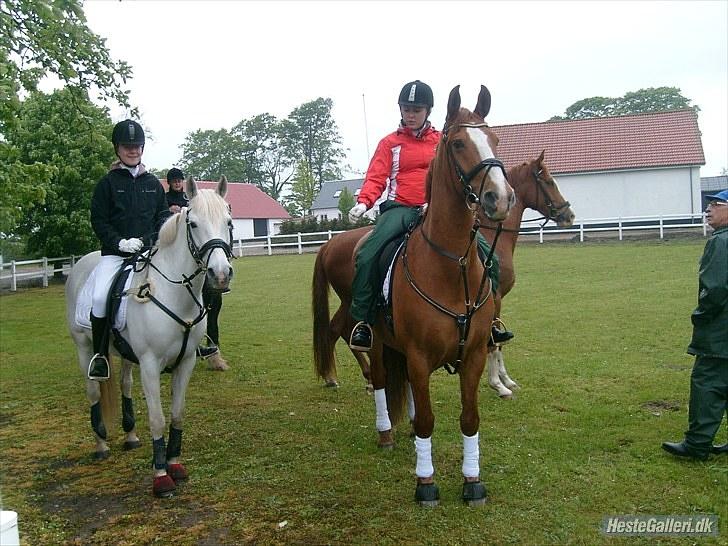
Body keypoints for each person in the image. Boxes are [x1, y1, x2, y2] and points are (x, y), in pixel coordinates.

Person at [347, 80, 510, 352]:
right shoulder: (390, 143)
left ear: (428, 111)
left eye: (417, 109)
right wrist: (364, 202)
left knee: (489, 259)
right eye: (406, 108)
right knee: (368, 254)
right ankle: (363, 321)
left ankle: (490, 322)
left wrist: (435, 202)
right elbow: (377, 176)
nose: (411, 114)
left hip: (436, 210)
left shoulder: (442, 141)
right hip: (400, 208)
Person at [88, 120, 171, 381]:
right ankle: (101, 355)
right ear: (117, 149)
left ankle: (184, 342)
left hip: (149, 253)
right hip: (115, 255)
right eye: (127, 146)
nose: (133, 150)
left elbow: (163, 217)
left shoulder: (153, 184)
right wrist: (119, 242)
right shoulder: (107, 184)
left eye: (137, 146)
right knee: (101, 297)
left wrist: (147, 240)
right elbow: (99, 221)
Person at [662, 189, 728, 460]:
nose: (708, 209)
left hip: (721, 332)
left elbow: (714, 289)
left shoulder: (720, 242)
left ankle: (697, 444)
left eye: (716, 204)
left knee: (707, 381)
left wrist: (700, 316)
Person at [163, 167, 229, 370]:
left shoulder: (194, 200)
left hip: (201, 258)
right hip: (180, 258)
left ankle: (212, 347)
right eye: (174, 180)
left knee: (213, 303)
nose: (177, 183)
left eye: (179, 179)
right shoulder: (165, 200)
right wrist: (171, 212)